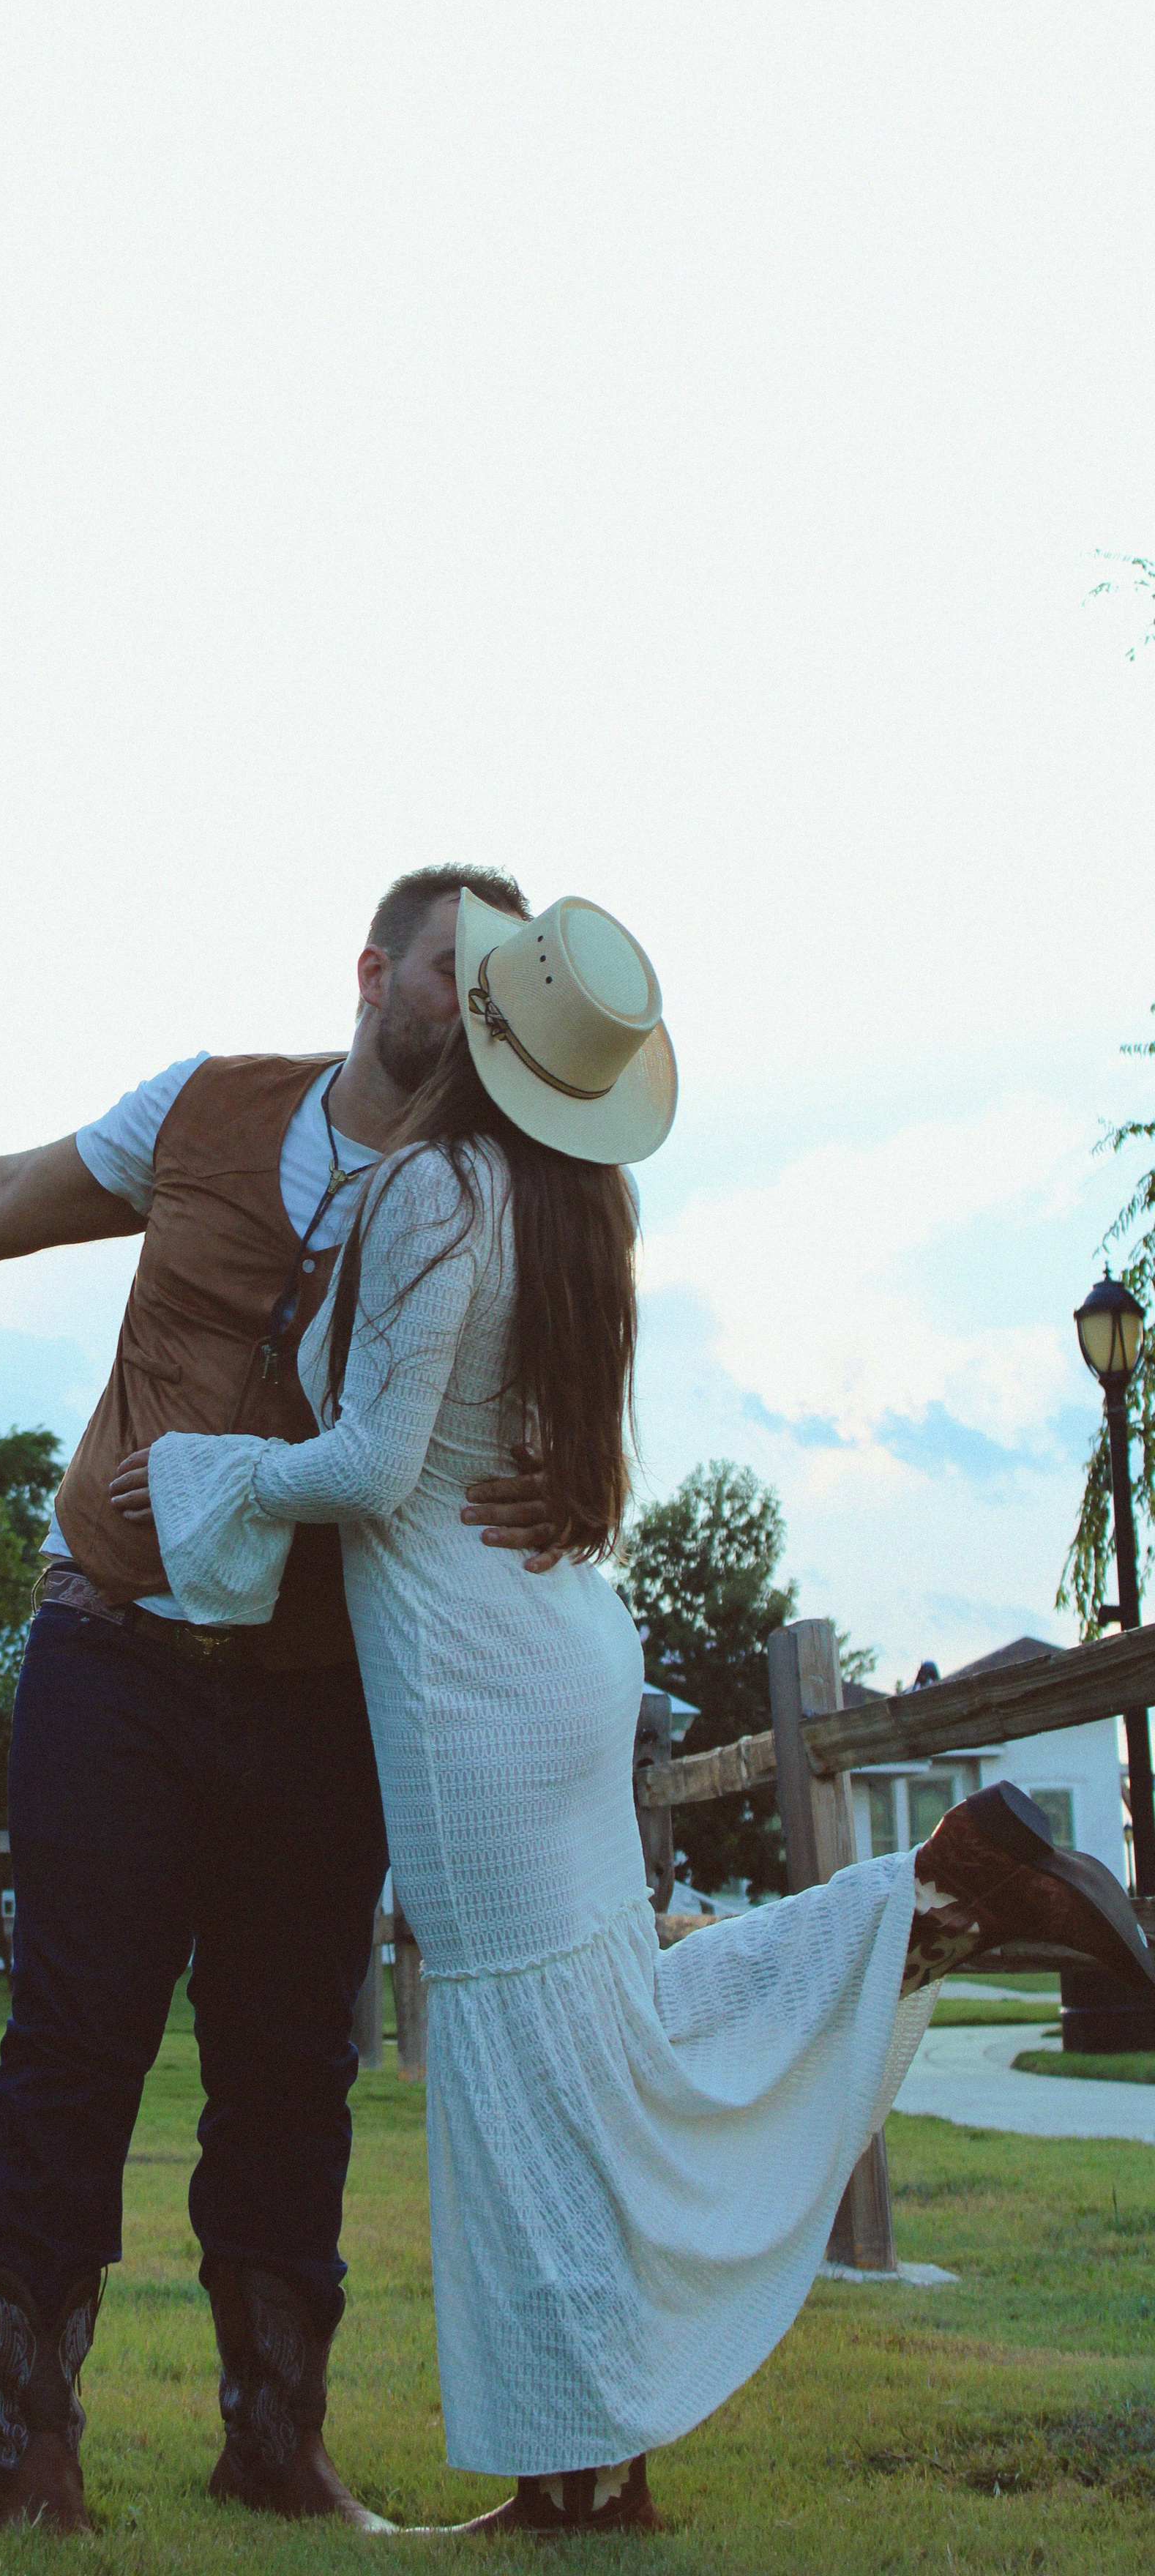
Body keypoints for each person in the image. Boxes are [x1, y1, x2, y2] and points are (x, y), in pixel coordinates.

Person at [126, 885, 1155, 2537]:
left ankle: (931, 1898)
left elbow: (378, 1469)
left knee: (534, 2067)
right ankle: (593, 2470)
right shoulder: (573, 1208)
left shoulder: (431, 1189)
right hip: (554, 1651)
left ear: (472, 1029)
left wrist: (199, 1468)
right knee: (603, 2039)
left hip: (469, 1686)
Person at [0, 864, 569, 2534]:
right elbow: (12, 1194)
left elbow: (547, 1397)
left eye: (496, 981)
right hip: (112, 1652)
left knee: (289, 2067)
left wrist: (573, 1490)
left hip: (320, 1686)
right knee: (73, 2046)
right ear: (373, 970)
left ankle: (272, 2443)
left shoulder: (500, 1187)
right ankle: (30, 2451)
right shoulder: (205, 1108)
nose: (469, 1003)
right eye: (448, 969)